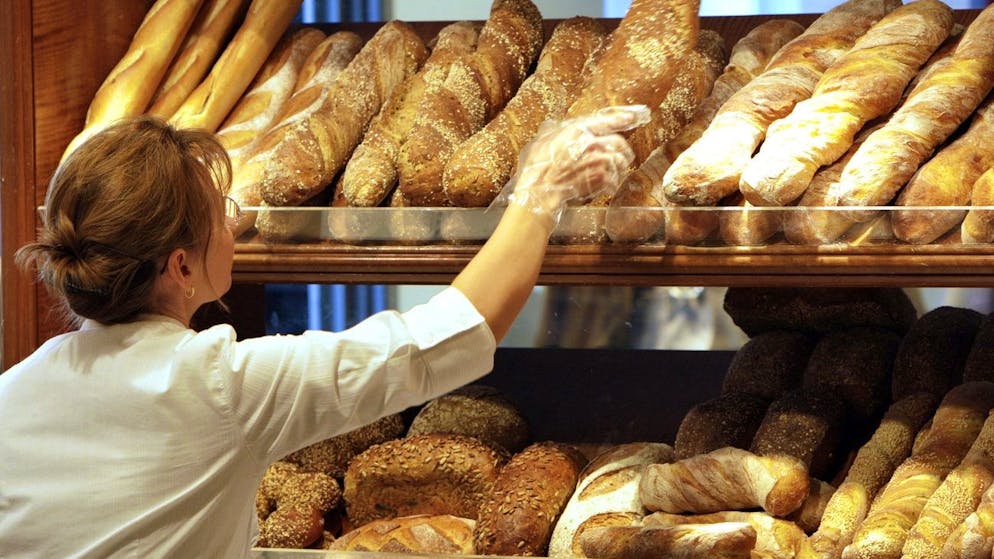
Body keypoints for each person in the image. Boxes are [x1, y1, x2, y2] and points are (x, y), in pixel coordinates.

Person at [0, 104, 647, 558]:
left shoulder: (13, 395)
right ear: (179, 266)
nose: (237, 219)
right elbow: (447, 335)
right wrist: (543, 186)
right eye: (220, 213)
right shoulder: (221, 386)